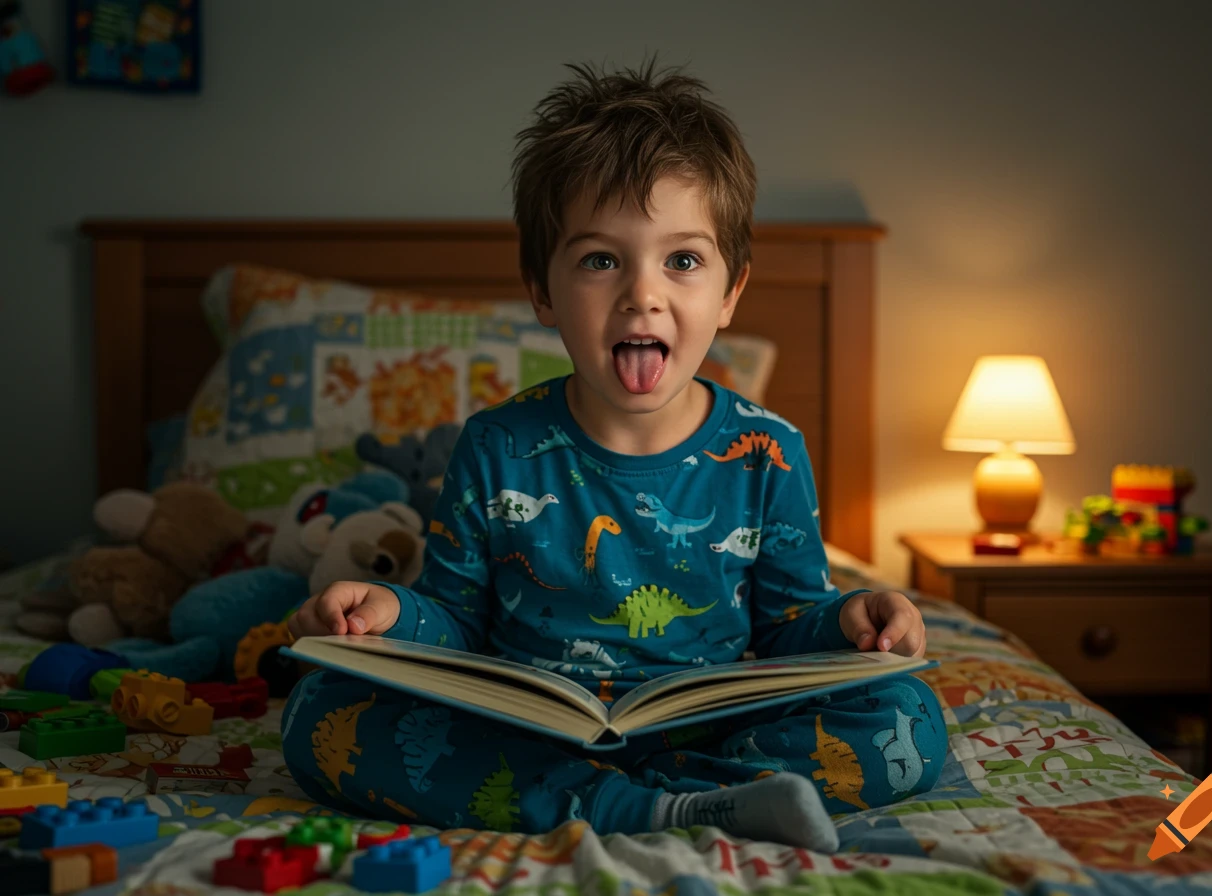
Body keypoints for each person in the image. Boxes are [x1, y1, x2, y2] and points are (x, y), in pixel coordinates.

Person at [282, 60, 943, 853]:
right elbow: (454, 623)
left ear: (730, 292)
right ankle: (662, 806)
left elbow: (789, 627)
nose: (643, 294)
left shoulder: (769, 450)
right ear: (543, 290)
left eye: (683, 260)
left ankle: (659, 794)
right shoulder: (495, 445)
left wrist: (849, 619)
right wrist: (393, 613)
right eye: (601, 260)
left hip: (716, 721)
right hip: (534, 727)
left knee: (908, 715)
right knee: (320, 711)